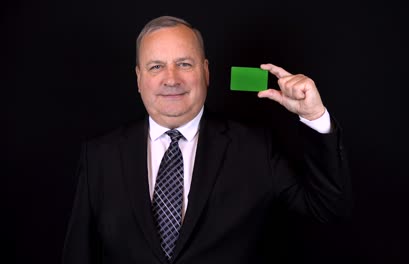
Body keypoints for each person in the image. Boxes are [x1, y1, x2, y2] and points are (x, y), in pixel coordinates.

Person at [62, 15, 350, 264]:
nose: (171, 79)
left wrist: (314, 116)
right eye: (156, 67)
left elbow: (326, 208)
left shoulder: (254, 148)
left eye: (184, 64)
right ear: (138, 79)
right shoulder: (100, 156)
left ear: (206, 72)